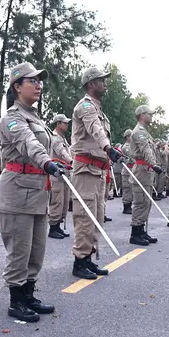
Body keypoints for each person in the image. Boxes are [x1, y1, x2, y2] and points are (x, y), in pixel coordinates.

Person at [0, 63, 63, 322]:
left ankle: (29, 294)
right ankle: (16, 301)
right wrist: (47, 162)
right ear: (16, 86)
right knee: (19, 249)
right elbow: (29, 143)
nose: (38, 85)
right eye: (32, 81)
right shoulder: (11, 118)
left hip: (37, 191)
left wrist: (56, 163)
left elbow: (42, 144)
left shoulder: (36, 117)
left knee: (37, 249)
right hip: (17, 191)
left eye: (39, 81)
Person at [70, 67, 122, 280]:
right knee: (85, 216)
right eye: (101, 80)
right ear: (91, 84)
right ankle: (80, 261)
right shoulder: (86, 106)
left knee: (97, 216)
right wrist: (108, 148)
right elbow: (95, 130)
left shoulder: (98, 108)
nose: (105, 83)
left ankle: (89, 258)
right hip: (86, 169)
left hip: (98, 170)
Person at [129, 106, 165, 245]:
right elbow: (145, 150)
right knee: (140, 202)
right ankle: (135, 233)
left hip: (147, 169)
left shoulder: (145, 132)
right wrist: (153, 164)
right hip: (142, 169)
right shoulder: (139, 132)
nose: (151, 116)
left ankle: (141, 230)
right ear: (142, 115)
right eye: (149, 114)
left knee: (146, 202)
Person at [48, 114, 73, 239]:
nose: (67, 125)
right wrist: (71, 161)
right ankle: (53, 227)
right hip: (56, 174)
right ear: (58, 124)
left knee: (64, 201)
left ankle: (58, 225)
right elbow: (61, 153)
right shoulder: (55, 138)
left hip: (64, 174)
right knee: (57, 201)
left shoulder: (63, 138)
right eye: (65, 123)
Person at [120, 129, 133, 214]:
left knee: (131, 189)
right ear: (127, 137)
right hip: (127, 170)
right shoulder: (126, 147)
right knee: (127, 189)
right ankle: (126, 206)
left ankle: (129, 205)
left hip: (132, 170)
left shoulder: (131, 146)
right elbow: (131, 156)